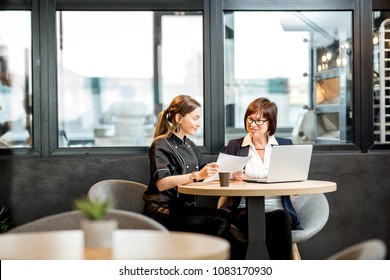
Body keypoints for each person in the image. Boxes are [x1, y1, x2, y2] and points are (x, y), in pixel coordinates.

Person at [218, 97, 301, 260]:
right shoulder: (235, 145)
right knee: (261, 224)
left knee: (280, 219)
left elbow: (295, 184)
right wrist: (233, 178)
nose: (252, 125)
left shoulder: (285, 145)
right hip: (243, 209)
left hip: (278, 208)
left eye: (258, 121)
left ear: (270, 122)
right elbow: (221, 180)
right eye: (249, 119)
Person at [143, 95, 232, 239]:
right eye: (195, 118)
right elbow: (161, 184)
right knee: (221, 219)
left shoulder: (190, 145)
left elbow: (205, 172)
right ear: (178, 118)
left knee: (228, 226)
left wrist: (231, 173)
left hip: (183, 208)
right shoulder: (160, 144)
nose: (198, 124)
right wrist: (196, 175)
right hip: (163, 209)